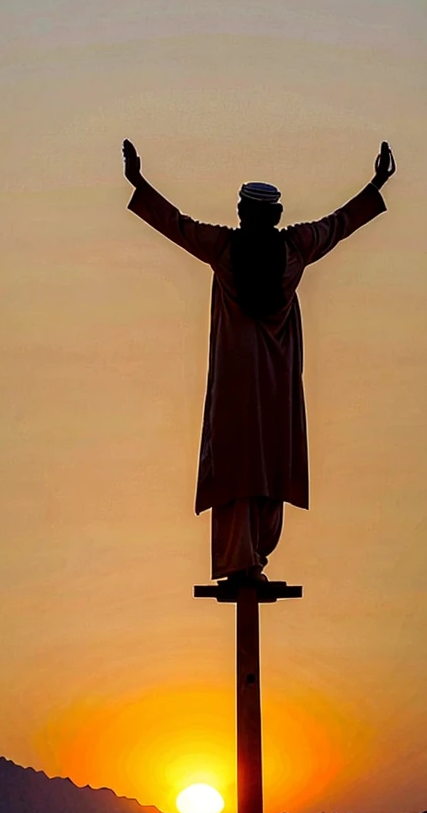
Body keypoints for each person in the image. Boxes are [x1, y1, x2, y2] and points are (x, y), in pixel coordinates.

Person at [123, 138, 396, 585]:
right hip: (276, 387)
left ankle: (240, 561)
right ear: (275, 217)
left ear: (242, 214)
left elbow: (176, 224)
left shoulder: (224, 249)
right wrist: (375, 184)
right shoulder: (296, 248)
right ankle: (255, 559)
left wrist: (138, 181)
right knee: (270, 468)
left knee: (237, 470)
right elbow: (340, 223)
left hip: (235, 387)